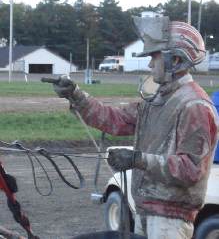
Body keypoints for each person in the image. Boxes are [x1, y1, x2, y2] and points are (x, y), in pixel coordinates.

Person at [52, 16, 218, 239]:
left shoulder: (194, 106)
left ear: (175, 60)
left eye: (154, 57)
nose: (150, 65)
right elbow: (114, 119)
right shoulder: (158, 99)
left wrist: (137, 159)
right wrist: (76, 95)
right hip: (146, 212)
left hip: (170, 221)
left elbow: (191, 170)